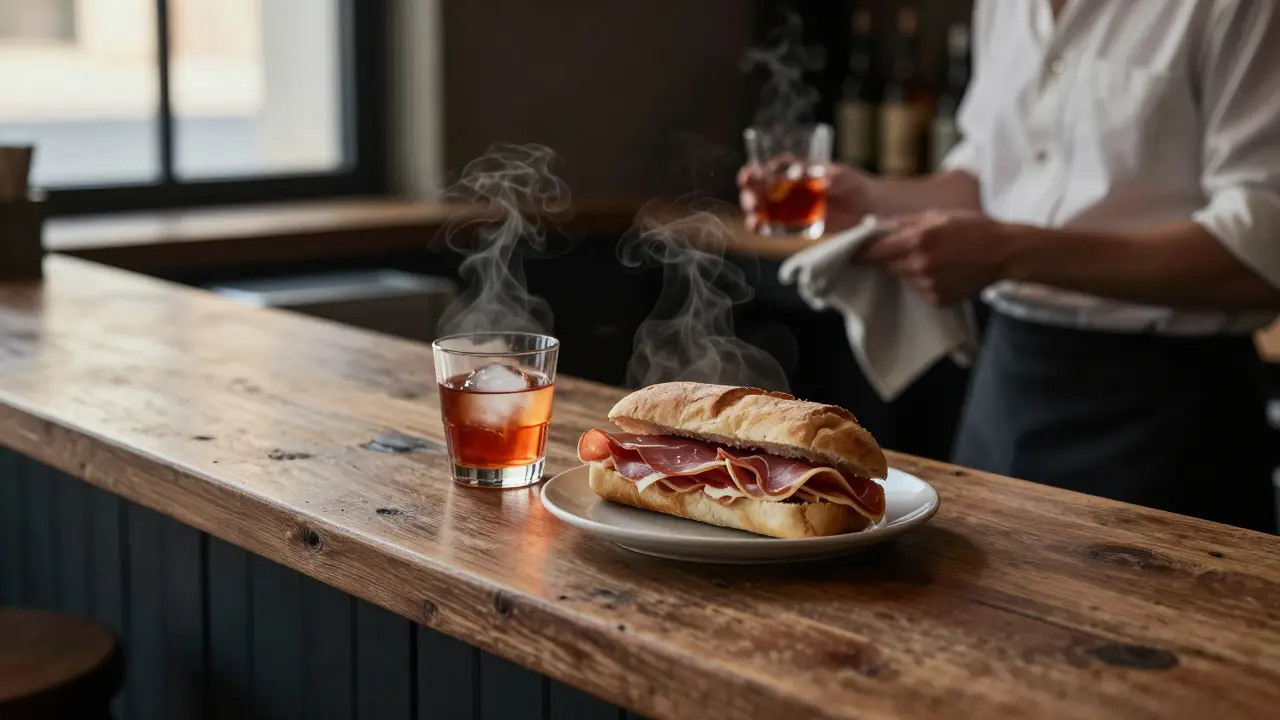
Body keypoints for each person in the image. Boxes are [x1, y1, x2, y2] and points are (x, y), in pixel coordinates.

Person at [740, 0, 1280, 532]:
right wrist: (873, 198)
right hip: (1008, 390)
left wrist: (1010, 253)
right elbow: (990, 176)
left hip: (1167, 413)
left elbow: (1262, 251)